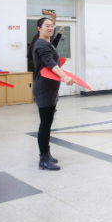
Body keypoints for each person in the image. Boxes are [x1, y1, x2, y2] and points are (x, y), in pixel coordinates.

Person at [28, 17, 74, 171]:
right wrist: (65, 76)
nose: (50, 28)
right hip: (44, 89)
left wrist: (55, 24)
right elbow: (50, 62)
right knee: (45, 124)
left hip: (50, 88)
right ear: (38, 28)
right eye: (46, 26)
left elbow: (52, 47)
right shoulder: (40, 44)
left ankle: (47, 153)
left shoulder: (47, 43)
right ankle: (43, 159)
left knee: (48, 123)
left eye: (52, 26)